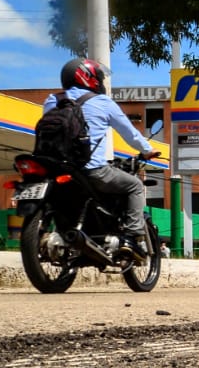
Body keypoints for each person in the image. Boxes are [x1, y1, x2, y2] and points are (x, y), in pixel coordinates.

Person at [43, 58, 157, 258]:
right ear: (88, 78)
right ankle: (131, 237)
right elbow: (130, 134)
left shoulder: (52, 100)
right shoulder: (102, 102)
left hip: (57, 169)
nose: (100, 81)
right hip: (92, 171)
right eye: (98, 77)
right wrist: (147, 150)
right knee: (135, 186)